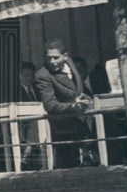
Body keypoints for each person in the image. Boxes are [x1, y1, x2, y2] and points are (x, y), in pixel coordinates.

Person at [35, 40, 93, 169]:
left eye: (56, 57)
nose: (52, 62)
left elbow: (77, 88)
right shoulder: (42, 75)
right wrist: (72, 106)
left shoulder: (70, 63)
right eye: (49, 58)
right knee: (67, 170)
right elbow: (50, 105)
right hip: (64, 127)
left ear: (65, 56)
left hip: (83, 123)